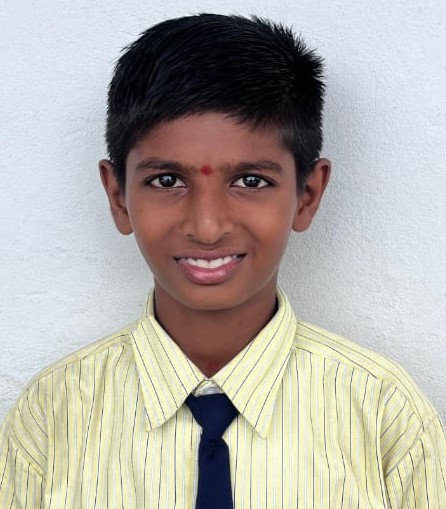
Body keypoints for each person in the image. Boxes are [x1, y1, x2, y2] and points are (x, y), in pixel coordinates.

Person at [0, 13, 445, 509]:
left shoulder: (384, 418)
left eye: (251, 181)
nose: (207, 227)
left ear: (307, 195)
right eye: (167, 180)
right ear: (118, 196)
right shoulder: (52, 417)